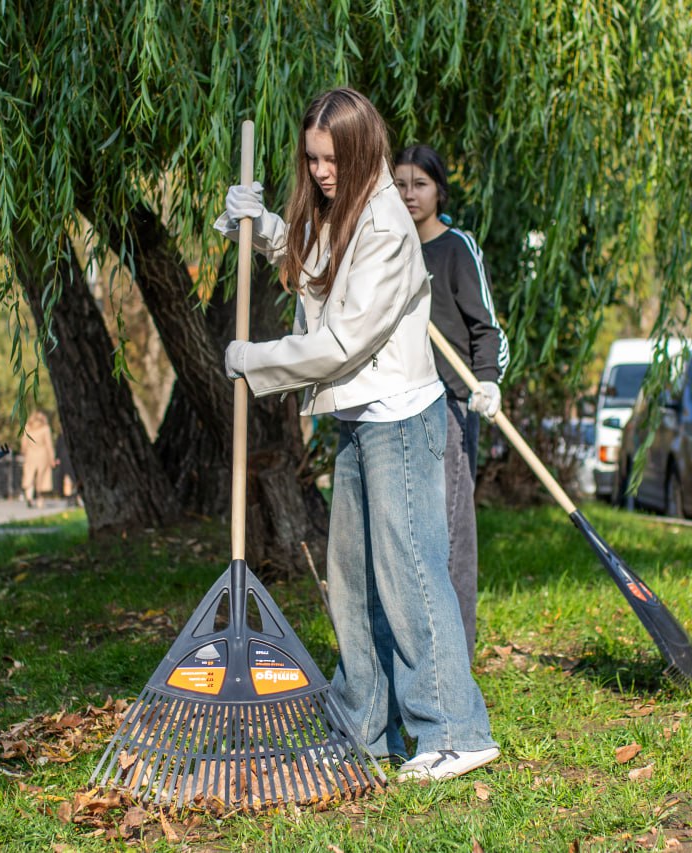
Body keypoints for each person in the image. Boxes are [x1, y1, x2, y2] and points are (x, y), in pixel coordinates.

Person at [217, 88, 499, 782]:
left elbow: (341, 339)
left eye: (331, 158)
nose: (319, 171)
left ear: (362, 147)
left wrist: (255, 361)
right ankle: (361, 728)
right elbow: (318, 269)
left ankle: (455, 730)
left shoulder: (384, 225)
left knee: (409, 576)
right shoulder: (349, 212)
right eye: (311, 158)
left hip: (401, 417)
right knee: (353, 581)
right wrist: (254, 226)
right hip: (360, 418)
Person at [395, 144, 509, 661]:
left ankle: (457, 649)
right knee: (411, 529)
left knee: (450, 528)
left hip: (451, 402)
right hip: (400, 399)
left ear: (439, 189)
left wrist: (487, 381)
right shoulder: (390, 249)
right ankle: (419, 643)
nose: (409, 194)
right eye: (399, 184)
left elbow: (485, 326)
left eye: (419, 184)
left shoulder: (455, 248)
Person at [20, 410, 55, 508]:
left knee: (29, 475)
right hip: (42, 454)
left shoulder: (28, 428)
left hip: (30, 454)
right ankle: (40, 500)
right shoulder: (45, 429)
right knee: (42, 477)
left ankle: (29, 496)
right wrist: (52, 458)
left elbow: (24, 443)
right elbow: (49, 444)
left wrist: (24, 451)